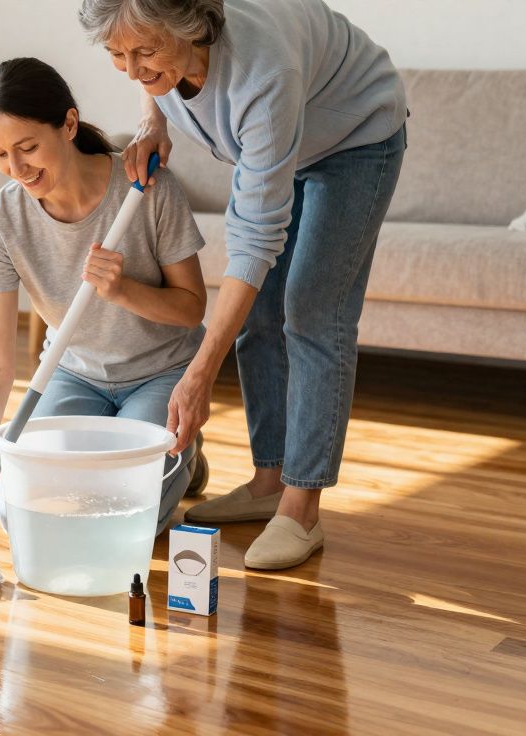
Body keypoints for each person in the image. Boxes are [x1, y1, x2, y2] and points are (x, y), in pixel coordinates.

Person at [78, 0, 407, 568]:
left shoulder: (262, 73)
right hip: (289, 139)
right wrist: (153, 123)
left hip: (356, 138)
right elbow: (149, 75)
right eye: (116, 55)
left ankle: (301, 510)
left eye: (145, 52)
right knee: (258, 313)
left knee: (311, 310)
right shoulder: (164, 54)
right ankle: (269, 481)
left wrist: (200, 374)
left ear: (190, 29)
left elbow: (255, 238)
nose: (132, 69)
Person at [0, 57, 210, 551]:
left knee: (122, 506)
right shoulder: (2, 221)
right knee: (11, 505)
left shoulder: (146, 189)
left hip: (161, 372)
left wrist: (124, 289)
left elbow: (192, 309)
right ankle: (153, 446)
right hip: (75, 373)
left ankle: (179, 453)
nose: (17, 170)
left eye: (28, 148)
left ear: (68, 124)